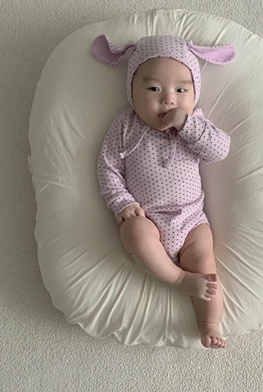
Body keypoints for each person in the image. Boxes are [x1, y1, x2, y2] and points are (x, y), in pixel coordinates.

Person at [91, 35, 235, 349]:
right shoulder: (125, 125)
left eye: (181, 90)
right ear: (132, 91)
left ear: (194, 93)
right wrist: (121, 202)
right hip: (148, 219)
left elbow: (220, 149)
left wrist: (187, 124)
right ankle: (178, 278)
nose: (168, 100)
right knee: (134, 233)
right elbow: (107, 166)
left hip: (192, 221)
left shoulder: (195, 124)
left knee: (206, 268)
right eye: (154, 89)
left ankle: (209, 323)